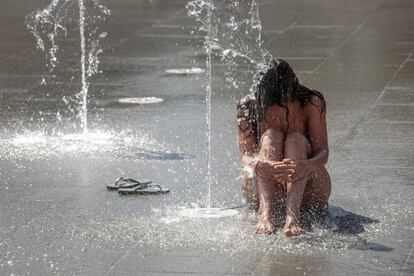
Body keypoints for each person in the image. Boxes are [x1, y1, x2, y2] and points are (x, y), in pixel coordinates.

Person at [237, 59, 331, 236]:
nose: (278, 104)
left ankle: (292, 217)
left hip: (309, 190)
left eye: (283, 98)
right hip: (262, 188)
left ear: (293, 87)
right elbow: (244, 156)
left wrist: (307, 166)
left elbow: (323, 152)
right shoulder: (248, 106)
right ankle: (264, 215)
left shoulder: (312, 103)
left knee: (295, 140)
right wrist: (258, 164)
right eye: (272, 99)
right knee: (271, 137)